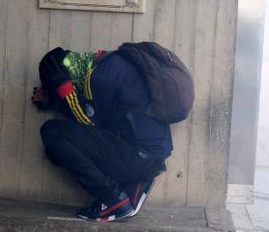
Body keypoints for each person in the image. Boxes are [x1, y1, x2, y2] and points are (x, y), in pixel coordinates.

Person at [32, 47, 171, 222]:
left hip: (138, 157)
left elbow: (90, 124)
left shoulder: (97, 78)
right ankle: (133, 182)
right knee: (56, 149)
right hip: (148, 155)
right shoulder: (106, 64)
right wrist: (54, 100)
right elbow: (100, 120)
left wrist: (64, 90)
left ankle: (113, 199)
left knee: (53, 134)